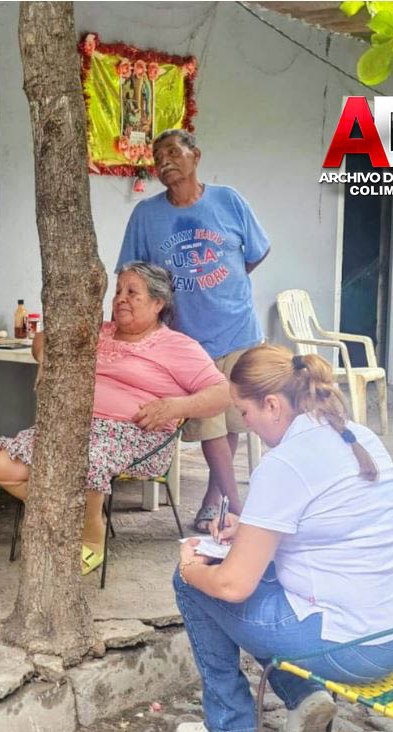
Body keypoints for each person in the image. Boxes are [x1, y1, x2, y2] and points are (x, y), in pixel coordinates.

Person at [172, 345, 393, 732]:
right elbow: (327, 524)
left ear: (272, 405)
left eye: (245, 412)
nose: (246, 423)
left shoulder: (285, 463)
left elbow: (233, 587)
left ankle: (231, 730)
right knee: (261, 576)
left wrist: (189, 566)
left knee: (198, 584)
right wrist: (249, 526)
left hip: (359, 647)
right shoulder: (356, 436)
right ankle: (303, 696)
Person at [0, 263, 230, 575]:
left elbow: (222, 393)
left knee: (83, 458)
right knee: (3, 463)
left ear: (158, 303)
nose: (120, 299)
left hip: (135, 435)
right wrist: (47, 358)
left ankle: (92, 536)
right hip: (73, 427)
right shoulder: (98, 331)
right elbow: (45, 338)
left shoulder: (178, 346)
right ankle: (71, 516)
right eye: (117, 292)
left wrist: (174, 407)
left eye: (132, 292)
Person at [118, 128, 271, 534]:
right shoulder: (146, 215)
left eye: (173, 152)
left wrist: (223, 283)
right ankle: (237, 510)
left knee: (232, 422)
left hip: (238, 330)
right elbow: (131, 274)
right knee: (209, 426)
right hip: (186, 340)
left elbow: (255, 253)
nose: (165, 161)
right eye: (158, 157)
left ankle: (212, 503)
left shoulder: (228, 201)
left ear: (195, 156)